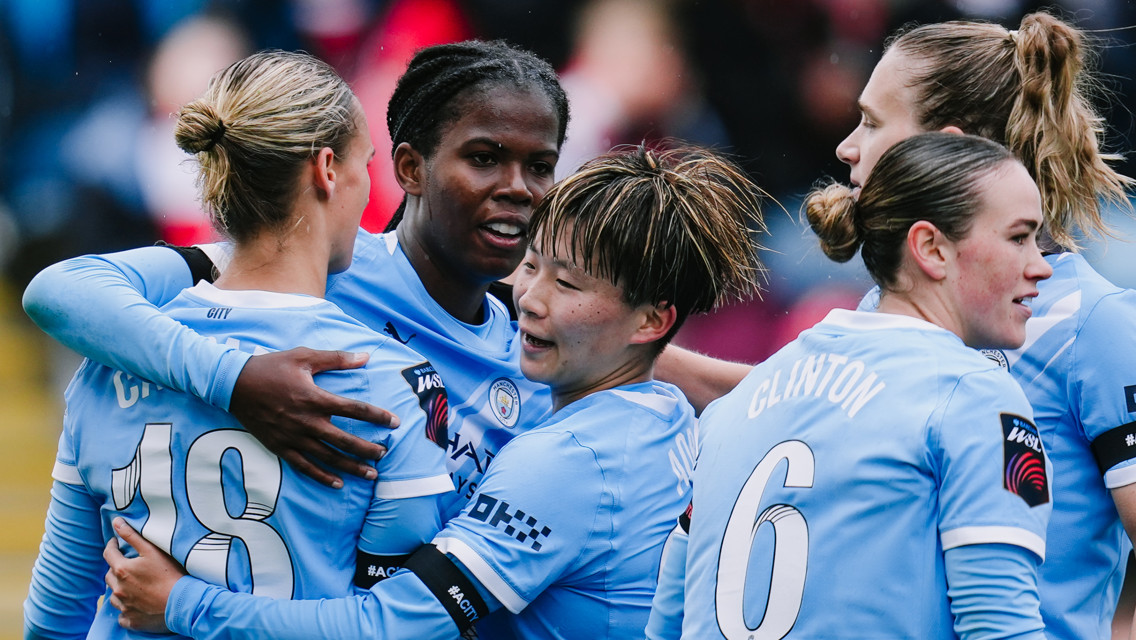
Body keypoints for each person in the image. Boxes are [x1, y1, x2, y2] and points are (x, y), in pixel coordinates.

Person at [99, 144, 765, 639]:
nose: (528, 300)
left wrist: (182, 603)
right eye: (530, 266)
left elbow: (392, 629)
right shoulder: (669, 415)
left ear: (652, 320)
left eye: (567, 285)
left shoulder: (569, 462)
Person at [21, 39, 571, 518]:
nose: (519, 188)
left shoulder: (542, 353)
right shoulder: (326, 271)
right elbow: (60, 290)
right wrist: (235, 380)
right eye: (483, 158)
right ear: (408, 169)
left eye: (541, 167)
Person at [22, 50, 454, 639]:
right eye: (367, 163)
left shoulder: (107, 362)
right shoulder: (391, 382)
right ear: (327, 169)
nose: (367, 186)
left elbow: (55, 617)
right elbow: (396, 627)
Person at [657, 132, 1053, 638]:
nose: (1040, 265)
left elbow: (665, 623)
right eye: (1020, 237)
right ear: (931, 248)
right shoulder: (975, 394)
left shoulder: (734, 406)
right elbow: (1002, 629)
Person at [834, 14, 1136, 640]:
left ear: (947, 146)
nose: (847, 146)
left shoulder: (1096, 326)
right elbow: (776, 404)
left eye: (871, 120)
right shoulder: (884, 309)